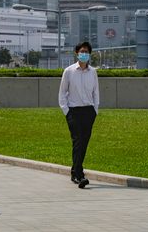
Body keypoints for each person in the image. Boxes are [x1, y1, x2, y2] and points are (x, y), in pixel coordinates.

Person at [58, 41, 99, 188]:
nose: (84, 54)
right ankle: (78, 175)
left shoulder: (93, 72)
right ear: (77, 53)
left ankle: (76, 171)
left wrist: (95, 110)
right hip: (74, 112)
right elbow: (62, 94)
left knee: (84, 142)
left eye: (86, 52)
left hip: (88, 111)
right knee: (78, 141)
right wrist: (66, 112)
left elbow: (96, 93)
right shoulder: (69, 71)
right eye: (82, 51)